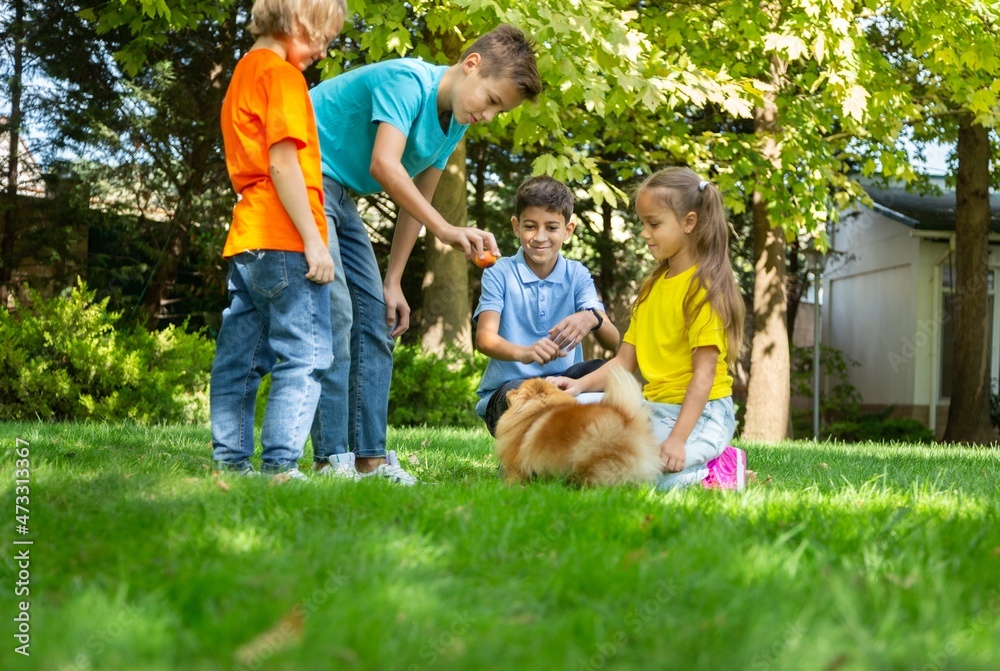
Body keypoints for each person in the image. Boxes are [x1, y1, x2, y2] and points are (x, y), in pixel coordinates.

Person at [308, 25, 542, 483]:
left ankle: (370, 459)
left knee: (377, 316)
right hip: (304, 175)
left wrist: (392, 282)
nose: (490, 116)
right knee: (336, 313)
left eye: (501, 111)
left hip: (339, 193)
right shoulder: (407, 82)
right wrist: (448, 230)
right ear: (471, 64)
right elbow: (384, 166)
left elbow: (419, 200)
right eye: (492, 100)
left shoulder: (454, 122)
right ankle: (330, 459)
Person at [210, 0, 346, 479]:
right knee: (306, 355)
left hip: (249, 236)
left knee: (240, 357)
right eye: (323, 38)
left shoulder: (244, 72)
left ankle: (230, 462)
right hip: (287, 238)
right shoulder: (284, 77)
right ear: (297, 22)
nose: (324, 52)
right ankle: (281, 467)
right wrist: (314, 241)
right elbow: (282, 163)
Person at [549, 167, 746, 490]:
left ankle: (720, 468)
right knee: (593, 451)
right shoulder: (651, 289)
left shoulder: (704, 291)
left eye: (654, 224)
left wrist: (678, 440)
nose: (644, 233)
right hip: (656, 409)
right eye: (643, 223)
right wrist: (577, 387)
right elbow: (624, 363)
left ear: (689, 222)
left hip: (703, 413)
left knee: (650, 480)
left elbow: (704, 377)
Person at [473, 175, 620, 436]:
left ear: (568, 230)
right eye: (530, 226)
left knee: (608, 373)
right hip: (509, 391)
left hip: (564, 383)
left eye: (551, 227)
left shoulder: (577, 274)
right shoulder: (499, 272)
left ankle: (578, 443)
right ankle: (525, 453)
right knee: (525, 394)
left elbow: (613, 342)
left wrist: (592, 318)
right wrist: (524, 353)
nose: (540, 237)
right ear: (516, 227)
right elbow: (484, 339)